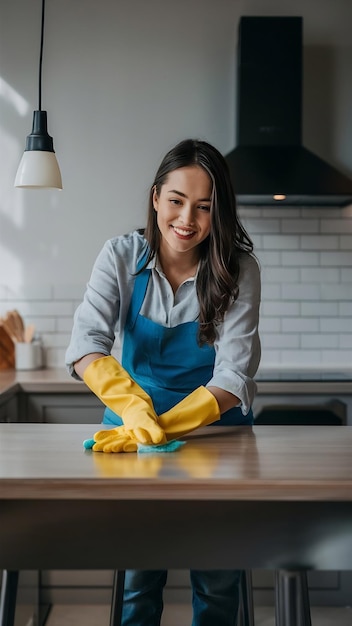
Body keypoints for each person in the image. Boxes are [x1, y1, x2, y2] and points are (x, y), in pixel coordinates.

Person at [65, 138, 261, 626]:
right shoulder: (120, 256)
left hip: (217, 435)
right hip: (133, 438)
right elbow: (86, 344)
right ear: (155, 198)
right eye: (176, 201)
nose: (186, 220)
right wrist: (134, 409)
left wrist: (169, 424)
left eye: (204, 207)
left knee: (218, 581)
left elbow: (234, 375)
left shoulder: (239, 270)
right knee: (138, 578)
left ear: (220, 213)